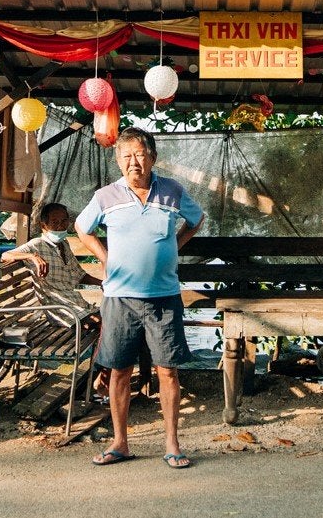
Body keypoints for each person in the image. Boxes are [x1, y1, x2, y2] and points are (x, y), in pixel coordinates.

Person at [75, 127, 203, 470]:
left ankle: (172, 444)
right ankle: (120, 442)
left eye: (140, 154)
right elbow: (82, 228)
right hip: (120, 299)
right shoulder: (105, 196)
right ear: (118, 161)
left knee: (168, 371)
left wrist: (175, 246)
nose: (134, 162)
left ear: (153, 158)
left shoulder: (173, 192)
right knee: (119, 371)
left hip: (163, 297)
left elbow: (196, 218)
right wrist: (105, 258)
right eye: (126, 156)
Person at [1, 202, 102, 309]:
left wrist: (103, 283)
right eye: (54, 222)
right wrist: (32, 256)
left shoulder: (64, 244)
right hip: (60, 308)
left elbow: (80, 275)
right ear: (44, 226)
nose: (60, 226)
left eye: (64, 221)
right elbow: (5, 255)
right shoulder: (37, 244)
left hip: (77, 303)